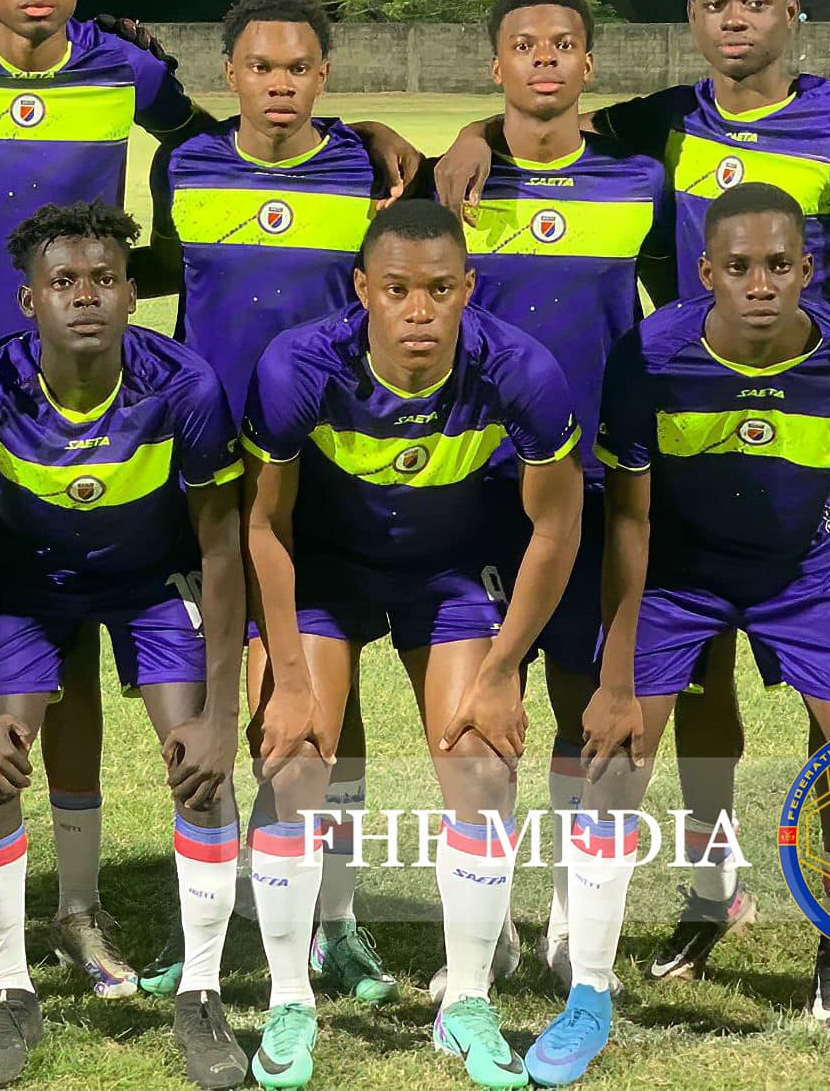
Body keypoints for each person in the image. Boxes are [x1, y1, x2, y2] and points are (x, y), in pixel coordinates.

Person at [0, 0, 418, 994]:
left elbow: (230, 154)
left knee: (129, 627)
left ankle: (77, 908)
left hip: (101, 375)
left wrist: (369, 135)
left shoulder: (129, 71)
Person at [433, 0, 830, 1025]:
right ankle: (710, 889)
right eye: (713, 3)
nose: (734, 18)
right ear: (694, 19)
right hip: (687, 443)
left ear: (792, 10)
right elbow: (546, 112)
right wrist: (468, 131)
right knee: (695, 699)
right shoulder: (670, 121)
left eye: (755, 0)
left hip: (803, 430)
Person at [527, 183, 830, 1091]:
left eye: (779, 265)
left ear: (809, 270)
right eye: (737, 267)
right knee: (613, 758)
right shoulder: (650, 357)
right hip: (679, 582)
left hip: (801, 577)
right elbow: (629, 518)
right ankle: (587, 997)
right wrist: (617, 674)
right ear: (704, 274)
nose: (759, 284)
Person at [242, 199, 582, 1091]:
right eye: (397, 289)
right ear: (364, 290)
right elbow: (265, 526)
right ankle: (290, 1000)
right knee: (294, 756)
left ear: (470, 288)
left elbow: (556, 530)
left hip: (448, 570)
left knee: (481, 763)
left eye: (440, 289)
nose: (420, 311)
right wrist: (282, 673)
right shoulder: (298, 368)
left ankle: (465, 1000)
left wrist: (505, 668)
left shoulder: (521, 370)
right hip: (325, 562)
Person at [0, 202, 248, 1089]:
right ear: (31, 302)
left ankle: (202, 996)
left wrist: (222, 713)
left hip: (148, 585)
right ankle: (12, 994)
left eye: (104, 279)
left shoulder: (185, 384)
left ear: (133, 294)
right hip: (27, 590)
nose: (85, 296)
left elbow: (220, 547)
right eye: (64, 282)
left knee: (204, 770)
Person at [414, 0, 667, 999]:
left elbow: (697, 309)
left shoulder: (638, 181)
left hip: (597, 479)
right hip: (474, 481)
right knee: (476, 701)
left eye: (563, 44)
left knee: (585, 696)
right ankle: (488, 927)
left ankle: (572, 907)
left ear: (589, 63)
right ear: (498, 64)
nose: (546, 59)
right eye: (525, 45)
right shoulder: (451, 184)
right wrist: (463, 139)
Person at [135, 0, 389, 1003]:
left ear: (324, 76)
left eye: (299, 68)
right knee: (202, 686)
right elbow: (162, 270)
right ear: (228, 74)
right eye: (260, 66)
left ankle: (341, 917)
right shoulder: (183, 163)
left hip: (327, 468)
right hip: (203, 469)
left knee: (333, 685)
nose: (279, 83)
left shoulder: (367, 163)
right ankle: (217, 910)